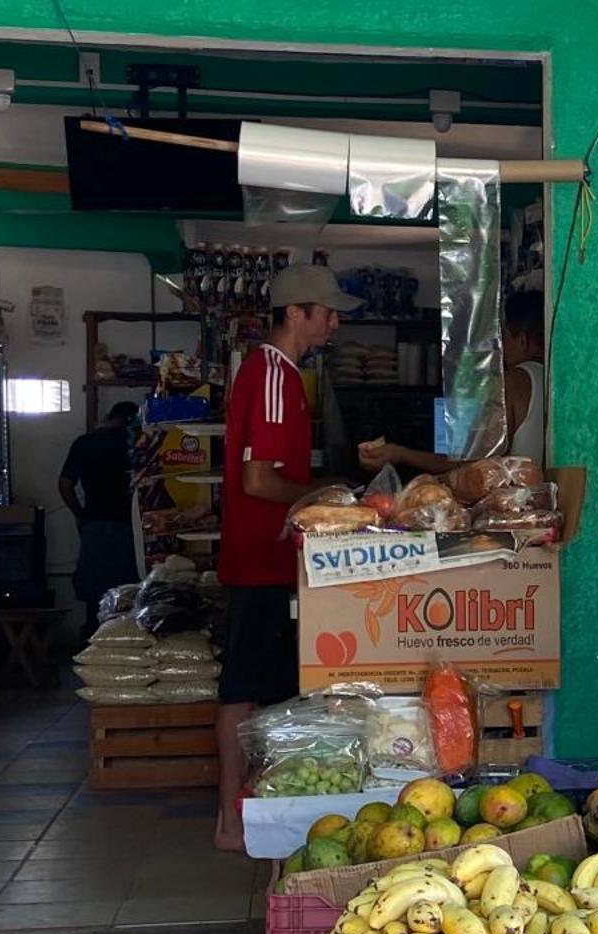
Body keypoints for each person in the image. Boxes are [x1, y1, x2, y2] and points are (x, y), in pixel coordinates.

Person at [215, 262, 360, 852]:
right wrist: (328, 495)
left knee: (263, 694)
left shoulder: (282, 375)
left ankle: (259, 818)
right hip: (258, 561)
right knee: (242, 692)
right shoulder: (274, 376)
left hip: (270, 562)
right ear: (295, 312)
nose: (334, 323)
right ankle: (230, 823)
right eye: (326, 312)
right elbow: (257, 480)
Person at [357, 289, 545, 475]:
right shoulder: (554, 382)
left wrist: (401, 454)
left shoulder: (512, 383)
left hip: (515, 499)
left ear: (522, 341)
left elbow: (473, 466)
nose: (500, 346)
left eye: (504, 336)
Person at [59, 400, 139, 629]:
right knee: (129, 595)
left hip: (94, 525)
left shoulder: (84, 443)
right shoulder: (134, 443)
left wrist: (80, 514)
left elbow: (65, 485)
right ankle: (125, 646)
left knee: (94, 597)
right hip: (129, 527)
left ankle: (91, 649)